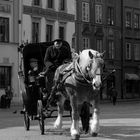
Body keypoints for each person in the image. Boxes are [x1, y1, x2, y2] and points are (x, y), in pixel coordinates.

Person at [42, 39, 72, 104]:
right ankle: (49, 92)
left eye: (59, 43)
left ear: (61, 44)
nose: (58, 44)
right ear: (54, 43)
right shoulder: (49, 49)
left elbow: (69, 58)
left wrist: (66, 62)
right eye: (56, 43)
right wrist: (51, 65)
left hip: (63, 67)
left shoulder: (65, 49)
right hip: (52, 68)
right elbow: (46, 60)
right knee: (48, 78)